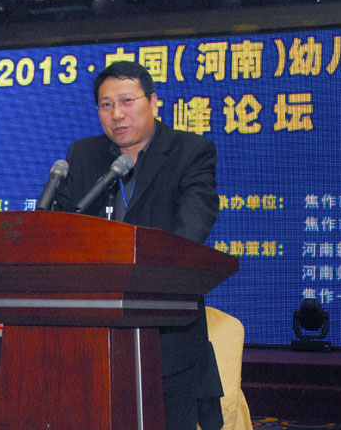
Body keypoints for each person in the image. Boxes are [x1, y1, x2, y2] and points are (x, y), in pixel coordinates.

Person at [54, 60, 224, 430]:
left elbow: (191, 228)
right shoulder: (83, 155)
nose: (117, 114)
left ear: (154, 102)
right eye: (106, 105)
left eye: (127, 101)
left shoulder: (191, 151)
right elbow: (60, 229)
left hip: (167, 339)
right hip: (90, 340)